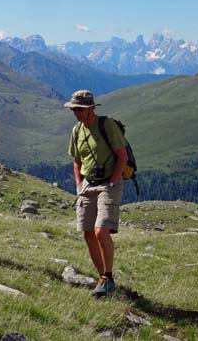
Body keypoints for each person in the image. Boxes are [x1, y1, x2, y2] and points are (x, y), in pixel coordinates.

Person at [66, 90, 128, 297]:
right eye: (74, 109)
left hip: (108, 185)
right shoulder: (76, 130)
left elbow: (122, 156)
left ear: (91, 108)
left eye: (80, 109)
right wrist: (78, 184)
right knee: (88, 232)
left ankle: (107, 277)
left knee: (101, 230)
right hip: (87, 185)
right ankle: (103, 278)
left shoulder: (106, 125)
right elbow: (76, 160)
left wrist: (112, 181)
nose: (76, 112)